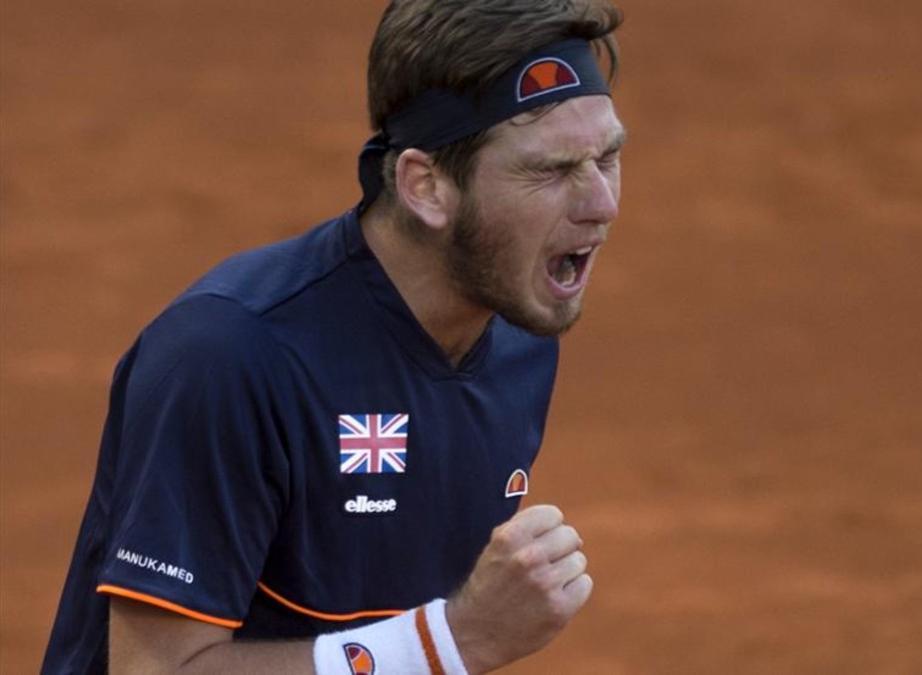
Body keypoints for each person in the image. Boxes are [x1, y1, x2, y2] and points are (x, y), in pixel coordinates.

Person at [41, 0, 626, 672]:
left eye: (607, 157)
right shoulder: (229, 356)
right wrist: (452, 640)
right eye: (550, 171)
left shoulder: (517, 334)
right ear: (426, 187)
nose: (601, 203)